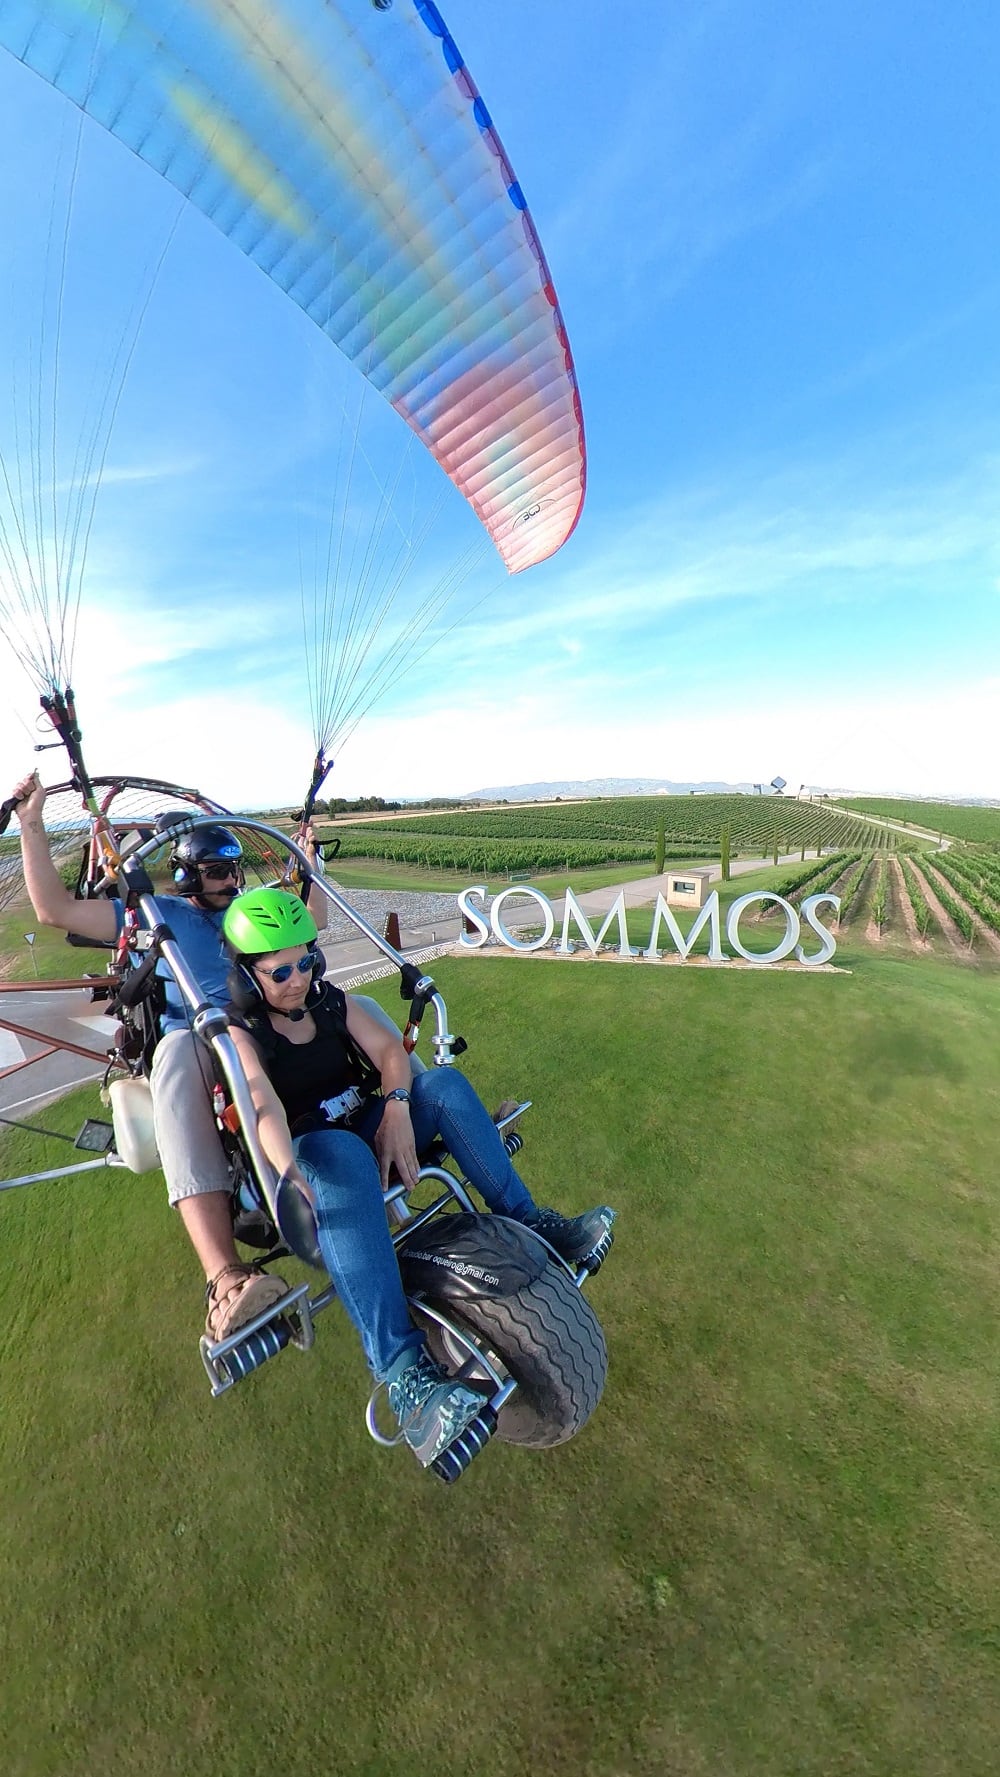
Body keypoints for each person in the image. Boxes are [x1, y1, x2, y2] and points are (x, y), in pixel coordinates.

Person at [222, 886, 615, 1468]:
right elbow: (263, 1109)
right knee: (345, 1156)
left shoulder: (333, 1004)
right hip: (316, 1153)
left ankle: (533, 1224)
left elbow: (389, 1053)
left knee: (445, 1088)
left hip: (373, 1123)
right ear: (248, 977)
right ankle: (405, 1378)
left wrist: (400, 1105)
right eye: (280, 971)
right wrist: (284, 1172)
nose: (298, 979)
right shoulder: (244, 1036)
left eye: (307, 960)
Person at [8, 771, 325, 1341]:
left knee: (348, 1015)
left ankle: (432, 1118)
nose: (228, 879)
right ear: (187, 875)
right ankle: (225, 1279)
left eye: (232, 868)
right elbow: (55, 911)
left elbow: (315, 922)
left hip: (266, 1023)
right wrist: (31, 824)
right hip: (203, 1038)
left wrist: (311, 866)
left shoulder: (253, 913)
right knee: (177, 1055)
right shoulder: (160, 914)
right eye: (214, 871)